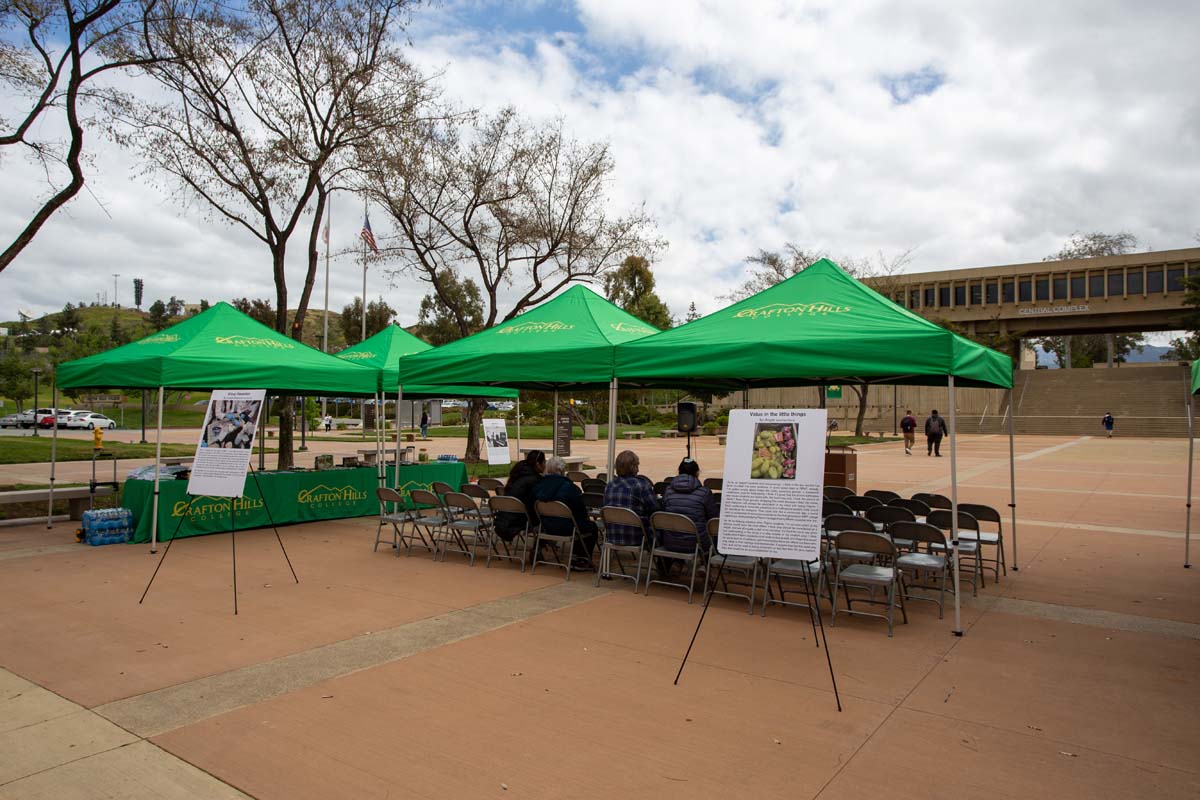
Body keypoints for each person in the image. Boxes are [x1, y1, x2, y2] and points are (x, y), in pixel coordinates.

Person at [533, 455, 598, 570]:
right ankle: (580, 559)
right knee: (591, 527)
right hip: (567, 528)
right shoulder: (570, 488)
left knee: (581, 524)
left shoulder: (539, 486)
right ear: (562, 470)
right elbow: (580, 511)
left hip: (546, 527)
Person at [601, 450, 659, 546]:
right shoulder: (641, 485)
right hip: (638, 536)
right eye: (637, 465)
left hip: (612, 535)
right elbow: (655, 510)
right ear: (633, 467)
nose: (638, 469)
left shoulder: (610, 485)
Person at [661, 457, 719, 551]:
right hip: (697, 545)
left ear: (679, 472)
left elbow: (663, 514)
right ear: (697, 473)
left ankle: (678, 562)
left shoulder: (668, 491)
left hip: (670, 542)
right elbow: (714, 518)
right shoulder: (704, 492)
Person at [494, 450, 545, 542]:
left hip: (503, 520)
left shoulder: (518, 475)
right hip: (518, 521)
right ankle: (539, 547)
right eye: (544, 462)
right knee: (548, 519)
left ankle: (539, 547)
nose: (545, 465)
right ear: (538, 464)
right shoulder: (534, 480)